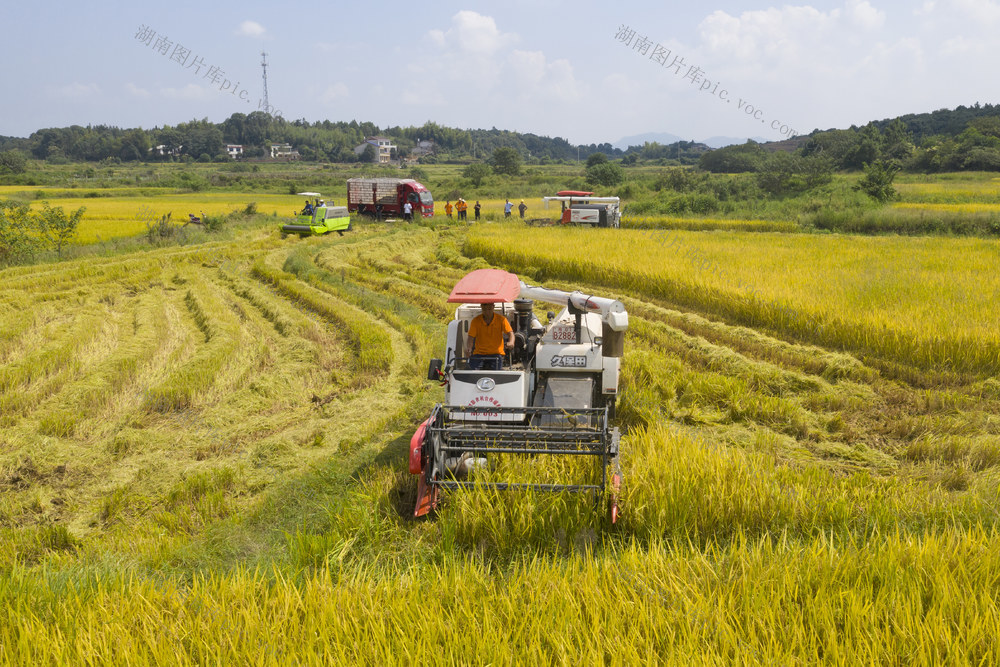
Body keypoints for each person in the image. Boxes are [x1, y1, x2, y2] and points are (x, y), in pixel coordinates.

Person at [467, 302, 514, 371]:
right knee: (472, 373)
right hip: (479, 354)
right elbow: (471, 337)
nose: (487, 312)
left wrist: (511, 342)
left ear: (493, 307)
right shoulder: (475, 321)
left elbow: (511, 333)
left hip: (496, 354)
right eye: (484, 309)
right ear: (481, 308)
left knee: (496, 375)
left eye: (489, 309)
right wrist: (469, 348)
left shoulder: (502, 320)